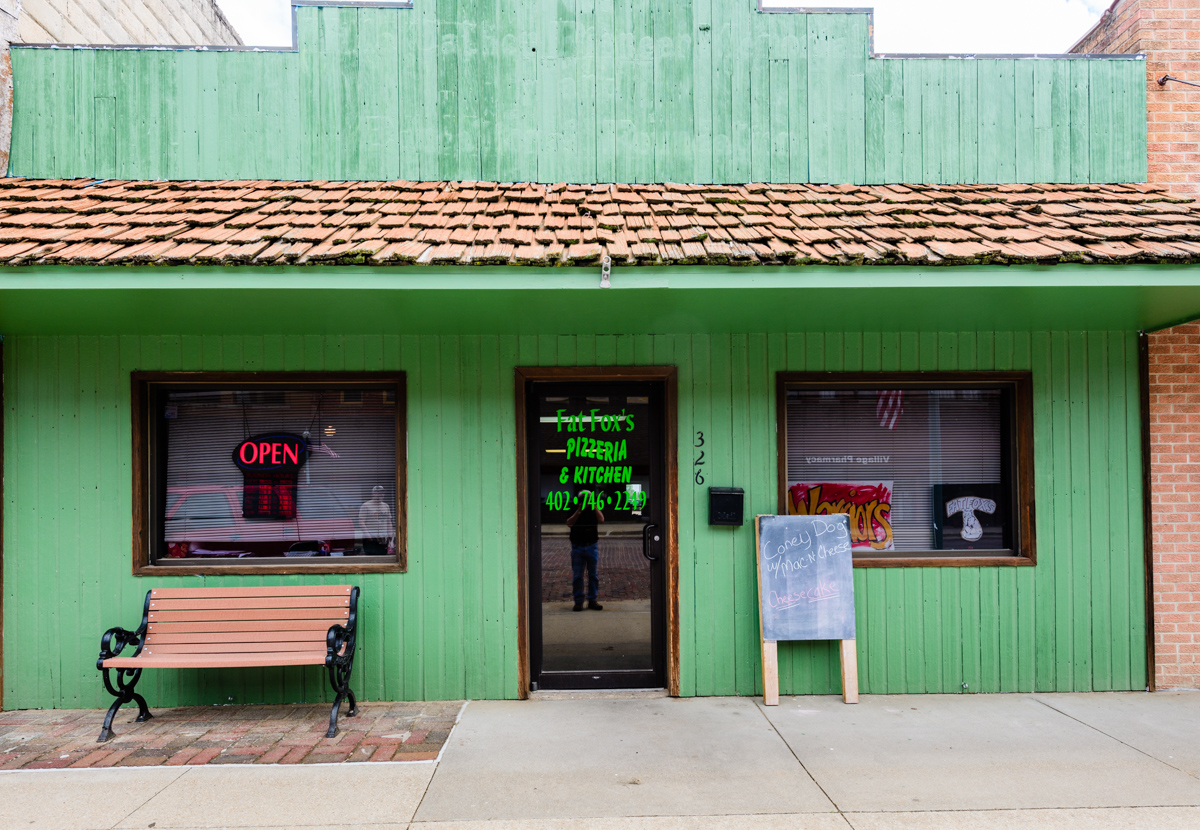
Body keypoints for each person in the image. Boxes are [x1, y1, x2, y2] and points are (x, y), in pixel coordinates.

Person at [566, 490, 605, 612]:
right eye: (583, 499)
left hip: (591, 545)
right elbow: (569, 523)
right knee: (578, 576)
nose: (585, 501)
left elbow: (601, 519)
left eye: (588, 499)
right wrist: (579, 511)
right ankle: (578, 602)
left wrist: (593, 506)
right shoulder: (574, 508)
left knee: (593, 575)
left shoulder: (594, 509)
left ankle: (592, 600)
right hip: (577, 546)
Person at [357, 485, 393, 555]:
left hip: (383, 539)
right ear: (373, 493)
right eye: (378, 493)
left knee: (383, 559)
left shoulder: (386, 506)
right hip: (370, 539)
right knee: (371, 560)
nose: (381, 495)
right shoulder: (366, 506)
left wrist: (391, 538)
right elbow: (361, 522)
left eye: (382, 493)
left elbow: (389, 522)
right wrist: (368, 536)